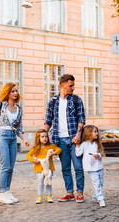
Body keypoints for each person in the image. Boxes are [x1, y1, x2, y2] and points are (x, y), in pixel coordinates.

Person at [44, 74, 86, 203]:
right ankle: (69, 193)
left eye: (73, 85)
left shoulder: (77, 100)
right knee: (65, 168)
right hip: (60, 140)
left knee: (78, 167)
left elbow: (81, 119)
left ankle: (80, 193)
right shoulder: (53, 101)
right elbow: (48, 121)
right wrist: (42, 137)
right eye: (71, 85)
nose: (73, 88)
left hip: (74, 139)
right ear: (63, 85)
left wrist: (78, 135)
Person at [0, 82, 29, 204]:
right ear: (7, 93)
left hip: (13, 138)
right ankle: (2, 193)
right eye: (12, 91)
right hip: (2, 136)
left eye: (16, 91)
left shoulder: (19, 109)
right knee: (5, 166)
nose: (15, 93)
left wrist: (23, 139)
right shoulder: (0, 106)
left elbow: (19, 128)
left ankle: (7, 192)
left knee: (11, 167)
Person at [26, 129, 62, 204]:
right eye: (42, 137)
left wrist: (54, 153)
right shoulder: (36, 148)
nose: (44, 138)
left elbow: (59, 149)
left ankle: (49, 196)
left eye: (46, 136)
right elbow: (28, 155)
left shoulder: (50, 146)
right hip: (40, 169)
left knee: (49, 182)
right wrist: (33, 160)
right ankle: (39, 196)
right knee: (41, 183)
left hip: (49, 169)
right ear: (38, 138)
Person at [75, 125, 106, 207]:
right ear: (88, 134)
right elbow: (78, 154)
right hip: (91, 168)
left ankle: (95, 196)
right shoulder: (84, 144)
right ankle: (101, 199)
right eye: (94, 132)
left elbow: (101, 154)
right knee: (97, 184)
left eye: (97, 132)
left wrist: (98, 155)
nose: (97, 133)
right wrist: (77, 145)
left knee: (101, 183)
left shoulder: (97, 144)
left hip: (99, 167)